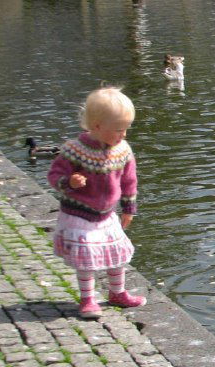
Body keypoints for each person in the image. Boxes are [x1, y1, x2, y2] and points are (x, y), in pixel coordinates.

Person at [48, 86, 146, 318]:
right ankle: (88, 299)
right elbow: (53, 176)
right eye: (118, 130)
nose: (123, 135)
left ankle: (117, 292)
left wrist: (129, 207)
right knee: (86, 259)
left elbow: (129, 181)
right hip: (79, 214)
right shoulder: (75, 151)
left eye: (126, 129)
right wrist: (69, 182)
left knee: (118, 253)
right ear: (97, 126)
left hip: (106, 214)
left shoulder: (122, 151)